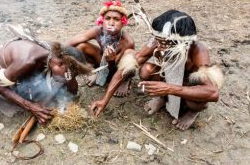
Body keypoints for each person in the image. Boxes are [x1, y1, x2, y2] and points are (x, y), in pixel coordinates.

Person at [91, 10, 223, 130]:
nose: (158, 46)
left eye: (164, 44)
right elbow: (127, 66)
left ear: (182, 44)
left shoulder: (198, 50)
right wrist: (105, 99)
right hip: (169, 80)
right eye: (158, 41)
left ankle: (193, 112)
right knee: (146, 70)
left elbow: (212, 93)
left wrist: (170, 88)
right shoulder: (159, 40)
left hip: (188, 87)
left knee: (194, 102)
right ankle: (163, 99)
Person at [0, 25, 91, 125]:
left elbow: (73, 91)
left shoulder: (56, 58)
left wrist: (70, 78)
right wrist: (31, 107)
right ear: (59, 63)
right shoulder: (29, 60)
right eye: (67, 72)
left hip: (21, 79)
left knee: (47, 87)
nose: (67, 76)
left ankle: (21, 93)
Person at [65, 0, 135, 97]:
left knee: (130, 55)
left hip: (117, 68)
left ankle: (124, 81)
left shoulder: (127, 41)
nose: (111, 23)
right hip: (103, 61)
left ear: (123, 22)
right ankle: (91, 71)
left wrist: (111, 60)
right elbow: (70, 43)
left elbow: (113, 68)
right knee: (81, 47)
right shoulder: (98, 31)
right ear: (102, 21)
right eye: (107, 18)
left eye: (116, 19)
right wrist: (54, 53)